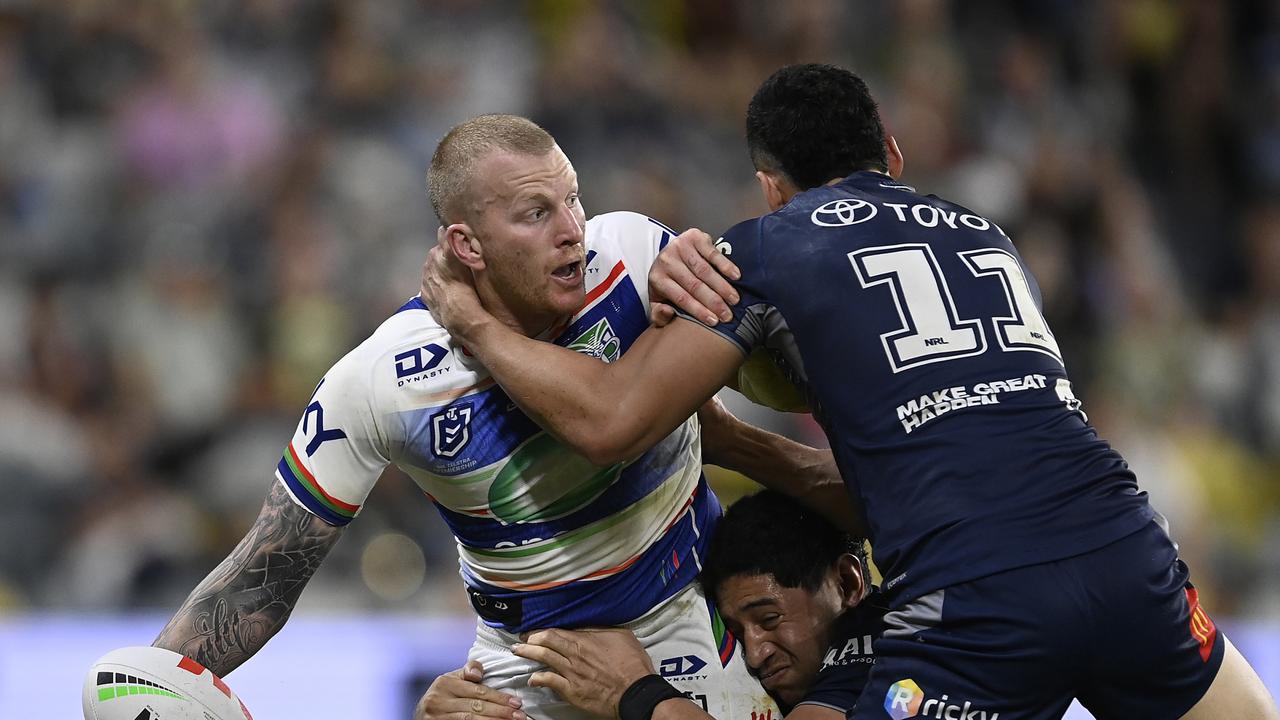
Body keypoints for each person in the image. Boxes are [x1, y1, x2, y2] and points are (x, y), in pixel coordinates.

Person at [419, 66, 1280, 718]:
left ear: (770, 187)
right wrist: (743, 439)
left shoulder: (766, 245)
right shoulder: (988, 234)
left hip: (979, 594)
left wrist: (477, 325)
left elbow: (609, 422)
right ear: (893, 155)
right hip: (1126, 546)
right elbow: (939, 445)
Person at [151, 114, 852, 720]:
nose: (573, 232)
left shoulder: (639, 255)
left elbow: (783, 374)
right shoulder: (378, 381)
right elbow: (260, 579)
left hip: (693, 617)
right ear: (467, 245)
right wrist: (152, 680)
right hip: (525, 670)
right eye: (536, 213)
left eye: (573, 199)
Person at [416, 489, 885, 720]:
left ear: (847, 582)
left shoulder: (887, 645)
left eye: (769, 618)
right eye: (737, 633)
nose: (756, 653)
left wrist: (636, 693)